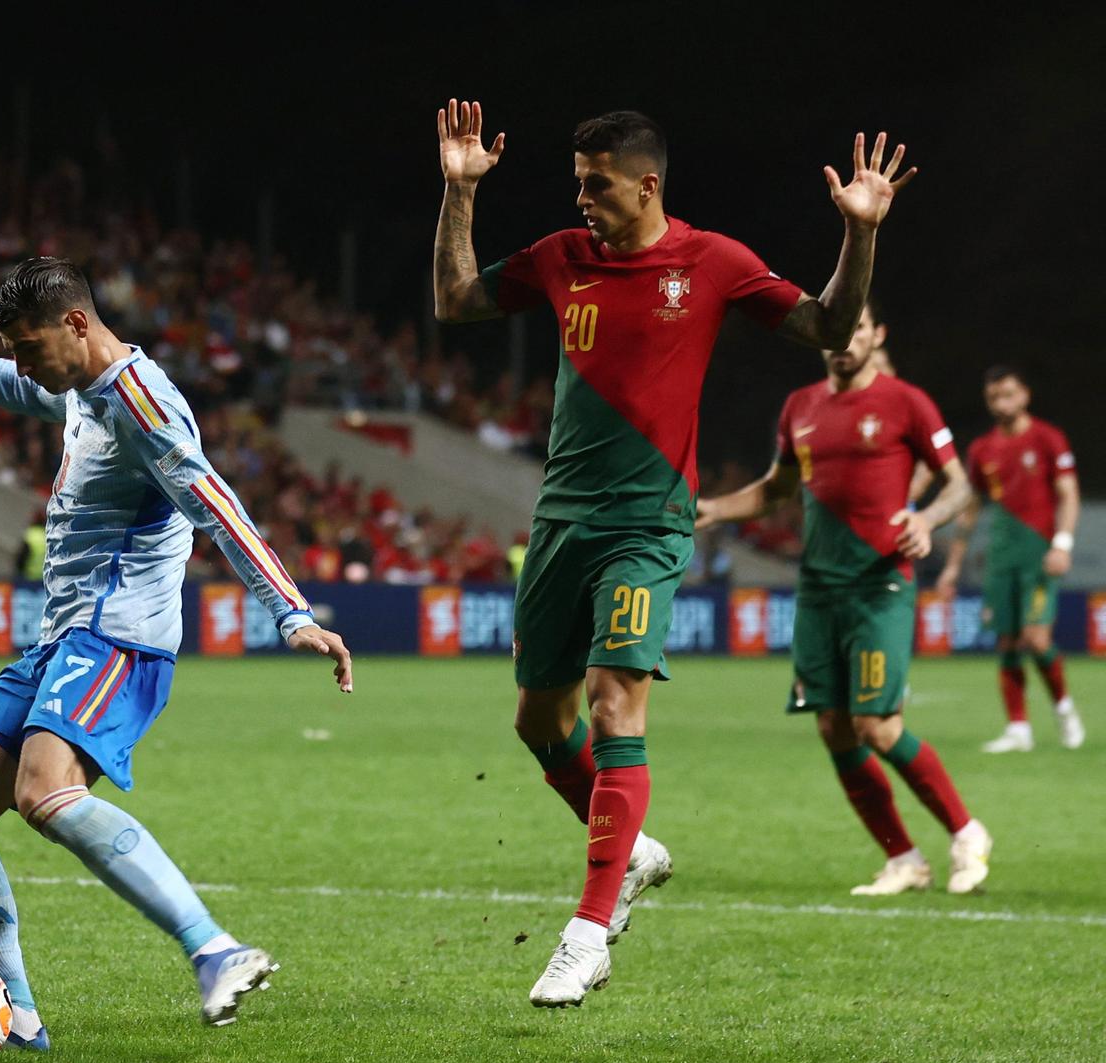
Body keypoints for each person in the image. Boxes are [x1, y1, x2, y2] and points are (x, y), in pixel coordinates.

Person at [431, 102, 914, 1006]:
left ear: (646, 184)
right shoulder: (558, 258)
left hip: (649, 525)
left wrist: (860, 236)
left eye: (596, 184)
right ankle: (634, 850)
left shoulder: (713, 262)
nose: (581, 199)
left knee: (617, 712)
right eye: (578, 182)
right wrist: (459, 193)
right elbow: (455, 301)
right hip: (561, 521)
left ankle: (587, 930)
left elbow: (832, 330)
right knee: (540, 722)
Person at [0, 258, 353, 1044]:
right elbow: (12, 383)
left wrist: (290, 611)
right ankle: (18, 1017)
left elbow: (215, 505)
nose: (26, 366)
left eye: (30, 347)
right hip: (64, 636)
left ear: (75, 324)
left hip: (119, 638)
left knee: (44, 792)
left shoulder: (142, 403)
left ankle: (215, 950)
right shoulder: (75, 384)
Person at [697, 304, 991, 895]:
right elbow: (777, 488)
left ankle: (966, 831)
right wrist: (714, 509)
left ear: (877, 334)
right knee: (833, 725)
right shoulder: (799, 407)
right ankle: (904, 859)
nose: (843, 341)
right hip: (818, 588)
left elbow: (959, 483)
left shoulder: (905, 401)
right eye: (833, 331)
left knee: (876, 726)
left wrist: (927, 518)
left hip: (879, 583)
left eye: (856, 328)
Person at [938, 367, 1083, 751]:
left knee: (1036, 638)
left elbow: (1068, 493)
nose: (1001, 403)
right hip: (1001, 555)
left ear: (1025, 395)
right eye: (993, 397)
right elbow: (971, 508)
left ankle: (1064, 707)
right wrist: (954, 565)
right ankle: (1019, 729)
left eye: (1008, 394)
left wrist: (1063, 543)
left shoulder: (1048, 438)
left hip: (1038, 551)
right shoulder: (982, 449)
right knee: (1007, 641)